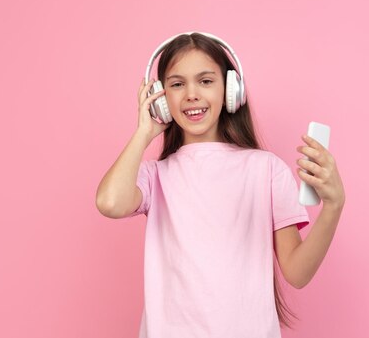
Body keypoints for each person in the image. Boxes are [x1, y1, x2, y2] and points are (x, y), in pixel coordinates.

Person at [95, 32, 346, 338]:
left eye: (205, 81)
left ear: (231, 90)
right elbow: (110, 202)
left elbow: (297, 273)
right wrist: (144, 132)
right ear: (159, 97)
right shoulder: (154, 176)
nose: (191, 94)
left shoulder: (265, 169)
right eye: (176, 84)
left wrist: (333, 206)